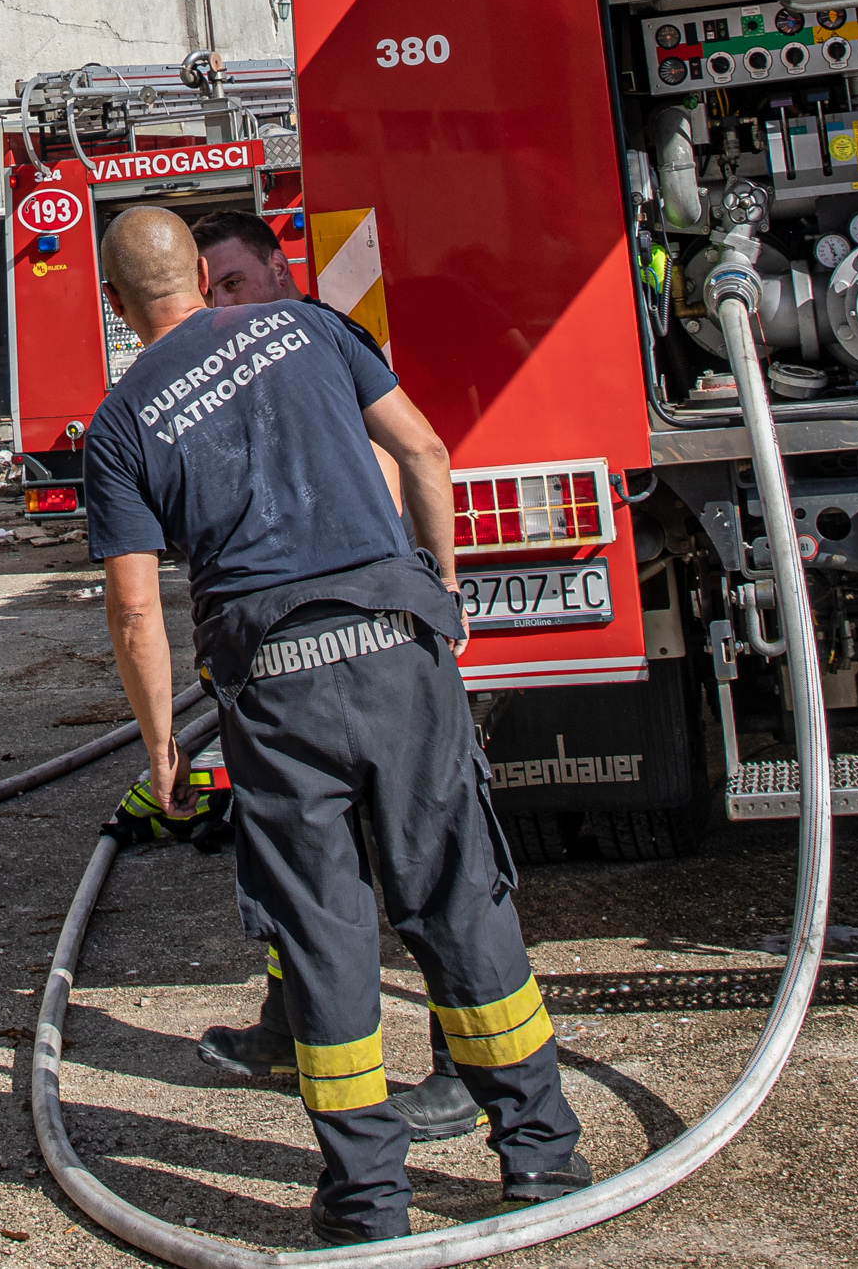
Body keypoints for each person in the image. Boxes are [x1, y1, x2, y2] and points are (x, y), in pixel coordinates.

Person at [84, 205, 583, 1241]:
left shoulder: (123, 422)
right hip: (398, 653)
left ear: (117, 302)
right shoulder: (312, 326)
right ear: (197, 272)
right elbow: (425, 452)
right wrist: (437, 588)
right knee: (457, 898)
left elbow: (133, 606)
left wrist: (162, 747)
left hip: (274, 689)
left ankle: (367, 1203)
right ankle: (541, 1156)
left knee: (320, 932)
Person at [186, 208, 487, 1148]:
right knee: (296, 865)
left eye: (234, 284)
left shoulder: (321, 343)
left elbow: (408, 458)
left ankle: (462, 1070)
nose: (221, 306)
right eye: (207, 291)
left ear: (280, 273)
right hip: (280, 657)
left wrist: (434, 584)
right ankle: (287, 1029)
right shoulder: (217, 373)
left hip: (367, 650)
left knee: (430, 871)